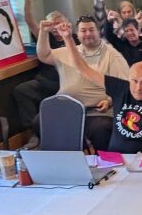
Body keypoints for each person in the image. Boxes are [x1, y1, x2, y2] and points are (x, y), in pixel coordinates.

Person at [54, 25, 142, 154]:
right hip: (113, 159)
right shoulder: (121, 88)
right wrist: (68, 38)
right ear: (129, 79)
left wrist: (137, 163)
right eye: (134, 81)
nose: (138, 88)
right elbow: (83, 69)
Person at [35, 14, 129, 151]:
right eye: (83, 31)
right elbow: (44, 55)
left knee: (101, 128)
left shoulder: (112, 55)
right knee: (40, 120)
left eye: (91, 30)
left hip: (97, 111)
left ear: (99, 32)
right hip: (67, 109)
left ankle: (103, 162)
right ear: (77, 34)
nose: (88, 34)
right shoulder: (68, 51)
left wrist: (109, 100)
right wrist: (43, 32)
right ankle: (64, 158)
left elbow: (124, 86)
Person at [14, 0, 74, 145]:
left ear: (67, 23)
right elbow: (29, 21)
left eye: (59, 24)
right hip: (43, 82)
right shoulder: (45, 37)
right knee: (22, 90)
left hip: (65, 85)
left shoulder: (75, 38)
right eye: (52, 25)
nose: (56, 28)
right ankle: (34, 133)